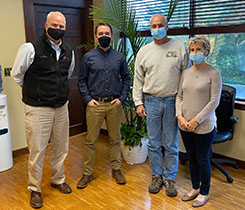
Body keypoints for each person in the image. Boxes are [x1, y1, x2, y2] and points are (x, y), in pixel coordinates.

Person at [11, 11, 74, 209]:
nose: (58, 29)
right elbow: (17, 74)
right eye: (55, 25)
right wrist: (35, 91)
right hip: (38, 109)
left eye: (62, 26)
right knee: (37, 151)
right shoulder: (30, 48)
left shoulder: (69, 50)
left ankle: (57, 179)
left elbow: (67, 73)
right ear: (46, 25)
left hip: (61, 107)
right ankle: (35, 189)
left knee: (61, 147)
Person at [133, 14, 189, 196]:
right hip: (151, 101)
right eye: (153, 26)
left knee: (171, 143)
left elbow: (187, 76)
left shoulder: (179, 47)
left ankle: (170, 178)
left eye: (160, 25)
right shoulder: (144, 51)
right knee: (154, 143)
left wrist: (183, 104)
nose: (157, 28)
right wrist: (138, 102)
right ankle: (157, 176)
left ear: (167, 26)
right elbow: (138, 80)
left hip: (173, 100)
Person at [77, 22, 130, 189]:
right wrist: (87, 99)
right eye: (101, 33)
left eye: (107, 33)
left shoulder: (119, 57)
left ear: (111, 35)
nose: (104, 36)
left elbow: (126, 79)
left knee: (115, 139)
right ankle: (87, 173)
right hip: (95, 104)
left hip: (114, 104)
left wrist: (121, 98)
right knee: (91, 141)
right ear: (96, 36)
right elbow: (82, 80)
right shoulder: (88, 57)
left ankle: (116, 169)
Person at [176, 36, 222, 207]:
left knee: (202, 158)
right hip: (184, 124)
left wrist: (196, 120)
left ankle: (204, 192)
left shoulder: (214, 73)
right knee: (191, 157)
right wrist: (179, 116)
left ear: (206, 52)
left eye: (198, 50)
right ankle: (195, 187)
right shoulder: (186, 72)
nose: (194, 53)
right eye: (192, 50)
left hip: (204, 125)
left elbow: (214, 101)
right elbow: (179, 96)